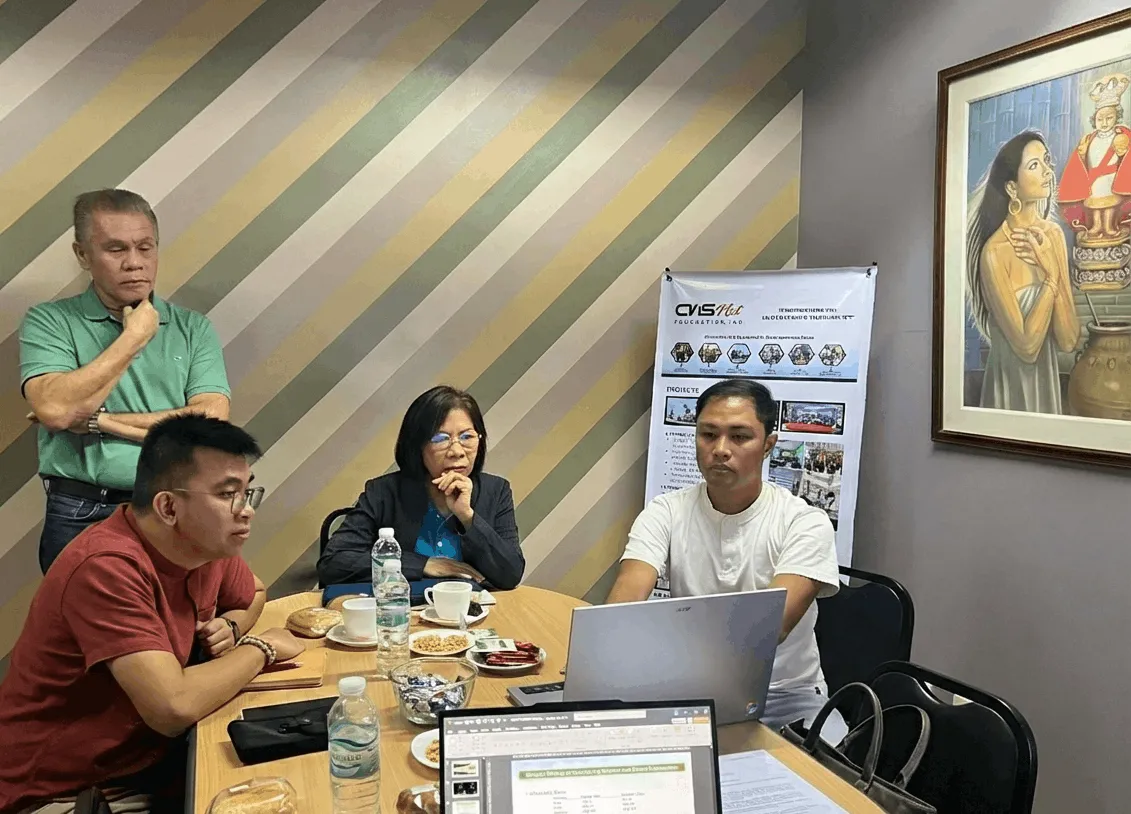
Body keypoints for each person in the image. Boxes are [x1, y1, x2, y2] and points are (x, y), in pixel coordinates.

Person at [0, 416, 303, 814]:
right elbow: (172, 708)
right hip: (66, 791)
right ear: (168, 507)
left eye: (248, 493)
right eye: (229, 494)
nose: (246, 511)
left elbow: (254, 593)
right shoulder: (106, 566)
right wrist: (261, 648)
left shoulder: (203, 547)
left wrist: (232, 626)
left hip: (152, 762)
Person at [606, 379, 844, 737]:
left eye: (739, 437)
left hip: (786, 696)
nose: (720, 449)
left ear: (768, 445)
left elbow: (767, 629)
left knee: (826, 770)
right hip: (689, 688)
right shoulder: (665, 511)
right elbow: (624, 603)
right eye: (708, 434)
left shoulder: (805, 521)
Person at [19, 189, 231, 573]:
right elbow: (55, 410)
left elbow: (210, 422)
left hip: (175, 507)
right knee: (81, 614)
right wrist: (134, 337)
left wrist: (101, 422)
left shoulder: (193, 327)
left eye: (145, 248)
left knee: (184, 613)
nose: (134, 263)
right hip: (83, 509)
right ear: (83, 255)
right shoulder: (49, 321)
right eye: (116, 249)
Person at [318, 385, 524, 589]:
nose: (457, 451)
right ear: (417, 446)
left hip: (472, 607)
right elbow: (333, 563)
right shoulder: (384, 492)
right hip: (402, 606)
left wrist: (467, 517)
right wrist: (423, 564)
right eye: (440, 438)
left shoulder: (496, 491)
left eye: (467, 437)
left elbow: (511, 575)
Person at [968, 132, 1079, 414]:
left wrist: (1052, 270)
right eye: (1034, 165)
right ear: (1012, 187)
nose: (1048, 171)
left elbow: (1068, 340)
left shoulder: (1053, 236)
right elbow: (1027, 348)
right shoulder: (994, 252)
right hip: (1009, 391)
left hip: (1046, 388)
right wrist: (1051, 279)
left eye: (1047, 161)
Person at [1059, 72, 1131, 240]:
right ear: (1094, 120)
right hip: (1094, 179)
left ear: (1117, 117)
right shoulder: (1089, 139)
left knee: (1110, 204)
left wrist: (1123, 149)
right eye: (1100, 119)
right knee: (1095, 205)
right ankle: (1096, 226)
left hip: (1111, 178)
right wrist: (1082, 153)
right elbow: (1081, 161)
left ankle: (1109, 226)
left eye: (1109, 118)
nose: (1104, 123)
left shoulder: (1120, 136)